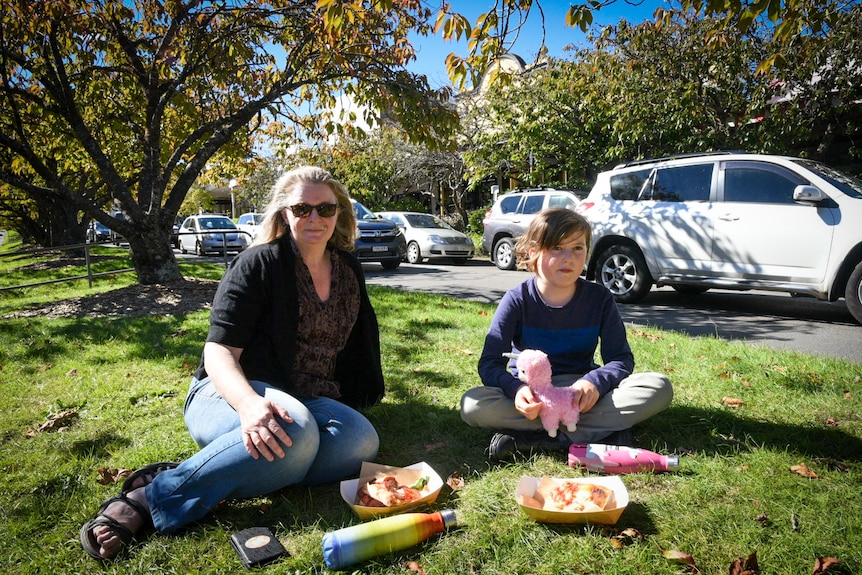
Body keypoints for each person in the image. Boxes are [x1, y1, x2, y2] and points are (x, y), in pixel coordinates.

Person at [80, 166, 385, 560]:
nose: (314, 218)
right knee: (299, 434)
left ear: (340, 213)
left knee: (360, 443)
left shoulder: (347, 269)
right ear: (284, 214)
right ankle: (151, 496)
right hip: (228, 391)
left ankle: (226, 466)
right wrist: (249, 405)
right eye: (302, 208)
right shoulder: (258, 264)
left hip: (305, 397)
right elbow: (219, 353)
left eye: (325, 209)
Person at [460, 208, 673, 460]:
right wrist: (516, 390)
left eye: (577, 248)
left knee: (659, 387)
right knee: (472, 405)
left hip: (580, 396)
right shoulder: (517, 300)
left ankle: (540, 439)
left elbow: (620, 359)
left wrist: (594, 382)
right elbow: (490, 363)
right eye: (557, 248)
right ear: (533, 252)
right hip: (536, 396)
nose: (568, 258)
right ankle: (598, 433)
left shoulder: (599, 298)